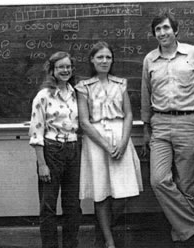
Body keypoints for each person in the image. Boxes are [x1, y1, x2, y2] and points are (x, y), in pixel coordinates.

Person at [141, 13, 194, 248]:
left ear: (176, 31)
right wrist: (146, 128)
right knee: (158, 180)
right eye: (158, 29)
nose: (162, 33)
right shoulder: (149, 60)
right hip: (160, 125)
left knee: (186, 185)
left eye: (166, 28)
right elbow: (145, 95)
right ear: (154, 33)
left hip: (188, 123)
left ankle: (183, 238)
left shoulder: (193, 54)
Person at [75, 41, 143, 248]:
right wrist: (106, 145)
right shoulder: (83, 86)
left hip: (120, 136)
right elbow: (84, 122)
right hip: (96, 142)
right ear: (92, 60)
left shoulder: (120, 83)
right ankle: (108, 240)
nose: (104, 61)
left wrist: (122, 143)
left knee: (123, 191)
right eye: (100, 57)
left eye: (108, 57)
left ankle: (107, 228)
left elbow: (129, 114)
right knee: (101, 191)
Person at [29, 51, 81, 248]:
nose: (65, 70)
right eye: (60, 67)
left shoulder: (76, 93)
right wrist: (42, 164)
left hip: (73, 150)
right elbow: (36, 131)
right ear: (52, 70)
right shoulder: (43, 96)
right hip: (51, 152)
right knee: (48, 206)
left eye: (68, 66)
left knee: (72, 205)